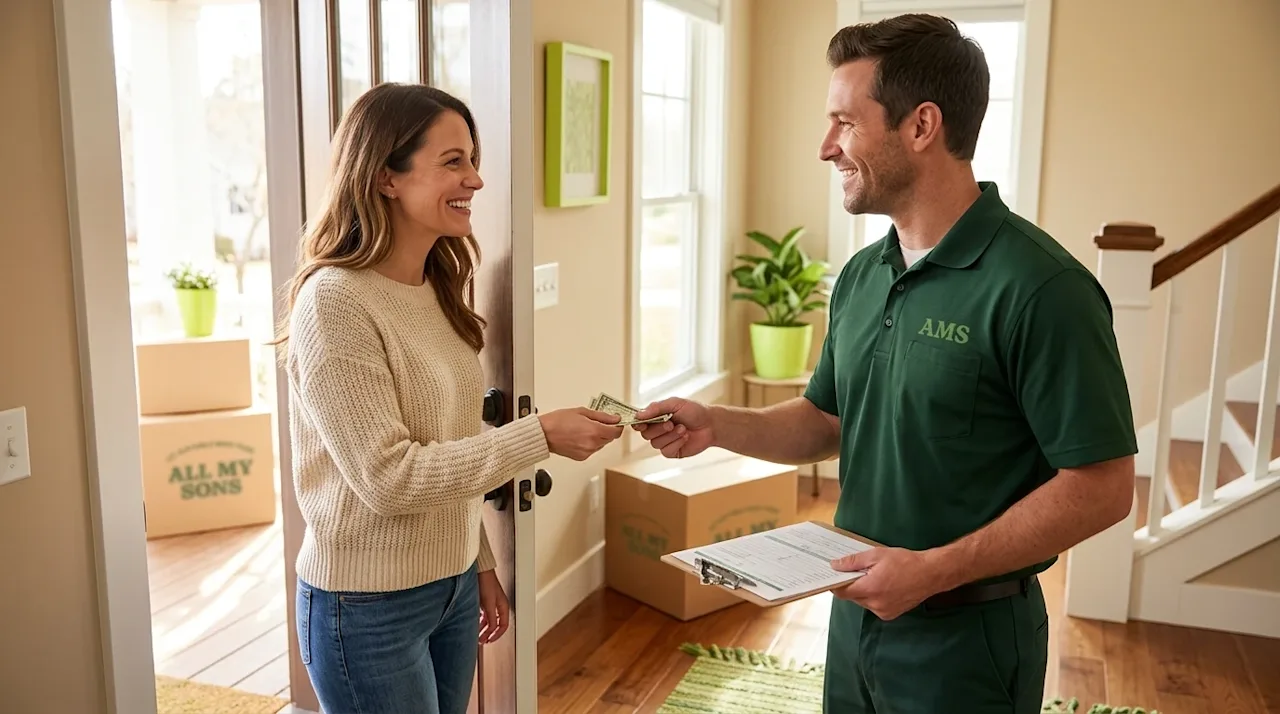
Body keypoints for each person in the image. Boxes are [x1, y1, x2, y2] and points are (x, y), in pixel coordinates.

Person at [634, 14, 1137, 714]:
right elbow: (825, 419)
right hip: (854, 615)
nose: (825, 147)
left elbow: (1104, 486)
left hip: (968, 641)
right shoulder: (862, 276)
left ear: (921, 125)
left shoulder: (1043, 288)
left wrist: (931, 572)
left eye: (845, 122)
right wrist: (716, 424)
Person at [275, 83, 623, 714]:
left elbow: (451, 446)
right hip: (366, 609)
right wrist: (539, 435)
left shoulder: (437, 284)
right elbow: (389, 478)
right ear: (385, 176)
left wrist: (479, 559)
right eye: (453, 161)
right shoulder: (334, 303)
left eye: (473, 158)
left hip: (454, 587)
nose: (477, 180)